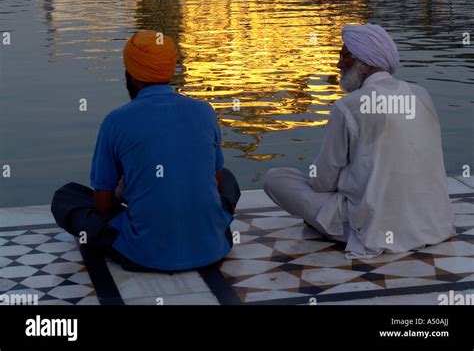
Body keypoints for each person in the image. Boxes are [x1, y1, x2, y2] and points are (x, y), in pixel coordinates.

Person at [52, 31, 240, 272]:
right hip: (213, 248)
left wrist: (129, 196)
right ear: (169, 71)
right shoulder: (204, 111)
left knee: (67, 197)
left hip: (145, 255)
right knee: (228, 178)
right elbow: (215, 181)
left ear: (130, 75)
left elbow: (102, 203)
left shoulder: (116, 121)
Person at [264, 23, 455, 259]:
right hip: (432, 224)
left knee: (276, 178)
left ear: (364, 62)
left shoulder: (348, 106)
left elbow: (322, 182)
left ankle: (327, 223)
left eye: (343, 56)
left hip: (373, 226)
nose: (338, 65)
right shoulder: (420, 94)